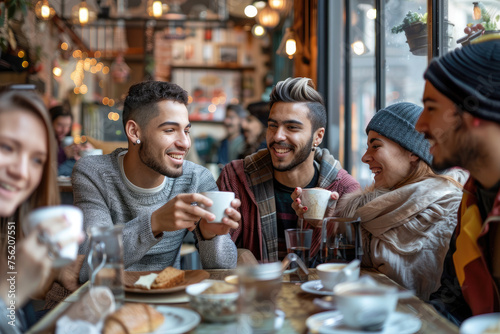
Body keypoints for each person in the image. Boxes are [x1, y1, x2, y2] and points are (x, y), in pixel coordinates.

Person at [73, 81, 241, 283]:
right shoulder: (94, 173)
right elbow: (88, 266)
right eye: (170, 130)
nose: (185, 143)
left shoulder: (196, 178)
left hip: (169, 299)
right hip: (107, 300)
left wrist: (211, 237)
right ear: (134, 132)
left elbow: (223, 269)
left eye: (186, 131)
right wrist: (154, 223)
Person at [309, 102, 464, 300]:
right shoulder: (370, 213)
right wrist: (332, 223)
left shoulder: (451, 210)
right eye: (367, 148)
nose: (365, 157)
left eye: (376, 146)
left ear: (413, 152)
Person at [218, 77, 360, 262]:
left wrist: (329, 226)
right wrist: (239, 255)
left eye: (292, 127)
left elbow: (353, 265)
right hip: (255, 290)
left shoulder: (345, 191)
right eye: (272, 126)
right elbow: (216, 253)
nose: (278, 136)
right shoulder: (235, 178)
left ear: (317, 137)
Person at [416, 39, 500, 324]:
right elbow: (454, 300)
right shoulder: (472, 198)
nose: (419, 126)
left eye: (431, 107)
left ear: (473, 112)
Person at [0, 89, 82, 333]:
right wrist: (9, 291)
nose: (22, 172)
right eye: (7, 147)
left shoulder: (9, 229)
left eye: (37, 160)